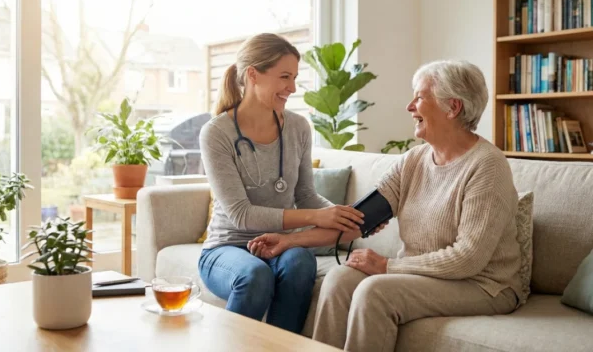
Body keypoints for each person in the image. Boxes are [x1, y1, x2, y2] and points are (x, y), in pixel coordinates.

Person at [247, 60, 523, 351]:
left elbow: (468, 258)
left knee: (375, 292)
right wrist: (288, 241)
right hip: (424, 274)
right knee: (339, 278)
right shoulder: (413, 161)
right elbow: (357, 220)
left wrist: (388, 266)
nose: (409, 107)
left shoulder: (487, 166)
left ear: (452, 108)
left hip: (483, 284)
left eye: (419, 97)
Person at [197, 33, 368, 335]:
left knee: (300, 262)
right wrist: (317, 217)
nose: (292, 88)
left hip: (280, 244)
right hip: (227, 247)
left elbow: (305, 195)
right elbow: (241, 213)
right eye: (284, 77)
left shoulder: (298, 127)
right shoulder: (216, 133)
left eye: (294, 78)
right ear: (253, 75)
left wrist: (348, 215)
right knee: (254, 275)